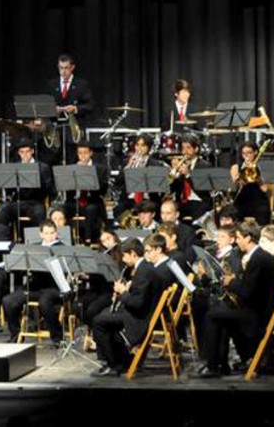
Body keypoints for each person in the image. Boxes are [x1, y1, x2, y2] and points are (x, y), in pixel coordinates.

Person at [195, 221, 274, 378]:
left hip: (260, 315)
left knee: (212, 315)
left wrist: (231, 281)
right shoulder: (261, 256)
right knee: (221, 314)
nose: (236, 241)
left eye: (238, 238)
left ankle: (213, 365)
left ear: (248, 238)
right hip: (261, 309)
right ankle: (220, 364)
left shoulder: (258, 259)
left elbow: (246, 292)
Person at [90, 238, 163, 377]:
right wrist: (126, 291)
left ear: (133, 253)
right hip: (140, 314)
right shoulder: (144, 268)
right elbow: (139, 295)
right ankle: (120, 361)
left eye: (124, 255)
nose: (123, 259)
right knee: (104, 315)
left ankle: (112, 364)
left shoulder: (144, 272)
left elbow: (138, 304)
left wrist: (123, 292)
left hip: (140, 319)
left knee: (99, 321)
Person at [3, 222, 65, 345]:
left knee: (45, 302)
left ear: (56, 233)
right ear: (41, 234)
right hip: (35, 287)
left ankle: (57, 337)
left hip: (53, 288)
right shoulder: (33, 247)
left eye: (52, 233)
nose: (49, 236)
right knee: (8, 300)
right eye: (46, 233)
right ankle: (15, 334)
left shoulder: (61, 247)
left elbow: (64, 271)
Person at [0, 139, 55, 241]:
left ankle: (36, 244)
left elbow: (49, 190)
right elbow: (9, 188)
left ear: (32, 151)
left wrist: (36, 183)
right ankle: (3, 246)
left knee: (39, 214)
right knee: (2, 214)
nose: (25, 155)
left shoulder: (43, 167)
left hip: (36, 203)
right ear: (18, 153)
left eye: (27, 152)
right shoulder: (15, 167)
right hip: (19, 202)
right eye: (22, 152)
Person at [65, 140, 108, 244]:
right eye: (80, 153)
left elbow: (103, 190)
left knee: (91, 209)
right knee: (64, 208)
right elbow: (68, 191)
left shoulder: (100, 169)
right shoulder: (72, 168)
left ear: (90, 153)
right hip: (76, 201)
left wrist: (88, 177)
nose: (82, 156)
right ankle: (67, 239)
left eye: (85, 153)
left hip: (93, 201)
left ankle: (88, 240)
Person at [230, 141, 273, 224]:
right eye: (243, 153)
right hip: (241, 201)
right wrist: (240, 178)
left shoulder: (262, 168)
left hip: (258, 202)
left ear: (255, 153)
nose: (246, 156)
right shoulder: (235, 167)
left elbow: (265, 189)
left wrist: (257, 178)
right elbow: (233, 188)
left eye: (249, 153)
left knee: (262, 212)